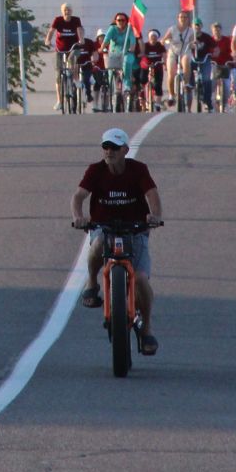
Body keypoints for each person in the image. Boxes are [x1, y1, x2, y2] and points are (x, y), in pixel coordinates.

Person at [73, 126, 163, 356]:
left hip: (135, 230)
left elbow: (152, 194)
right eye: (105, 147)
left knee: (141, 278)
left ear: (125, 149)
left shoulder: (138, 169)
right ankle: (92, 283)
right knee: (99, 244)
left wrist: (154, 216)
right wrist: (79, 217)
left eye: (114, 147)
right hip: (105, 227)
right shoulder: (95, 170)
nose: (109, 151)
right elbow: (79, 196)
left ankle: (147, 330)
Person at [101, 11, 135, 112]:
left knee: (127, 62)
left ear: (126, 21)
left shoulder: (129, 29)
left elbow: (133, 42)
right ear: (115, 21)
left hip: (126, 53)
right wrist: (102, 48)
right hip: (114, 54)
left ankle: (127, 85)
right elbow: (106, 40)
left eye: (123, 20)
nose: (120, 22)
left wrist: (131, 49)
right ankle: (113, 91)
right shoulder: (112, 29)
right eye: (118, 20)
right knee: (111, 73)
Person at [210, 22, 235, 111]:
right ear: (212, 31)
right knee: (212, 83)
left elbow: (232, 51)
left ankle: (224, 103)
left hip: (225, 66)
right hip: (214, 66)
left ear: (221, 30)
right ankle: (210, 101)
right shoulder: (210, 40)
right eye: (215, 29)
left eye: (218, 29)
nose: (216, 31)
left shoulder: (227, 40)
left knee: (227, 85)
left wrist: (233, 57)